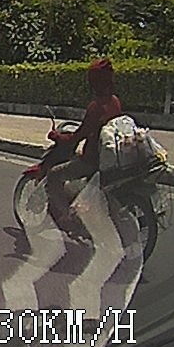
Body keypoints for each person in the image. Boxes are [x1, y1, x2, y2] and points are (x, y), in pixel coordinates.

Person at [45, 58, 124, 226]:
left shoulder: (96, 107)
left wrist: (58, 137)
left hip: (93, 160)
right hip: (106, 157)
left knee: (54, 174)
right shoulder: (115, 102)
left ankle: (65, 217)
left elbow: (78, 136)